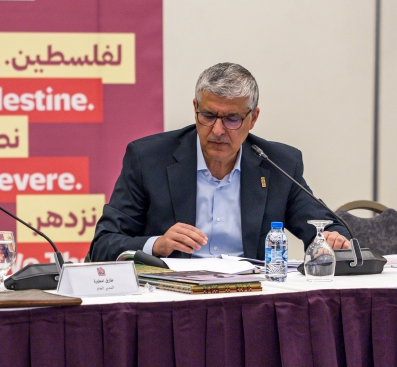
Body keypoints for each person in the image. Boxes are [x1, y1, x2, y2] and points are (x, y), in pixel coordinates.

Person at [88, 63, 350, 261]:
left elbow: (331, 228)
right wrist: (156, 245)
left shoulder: (278, 164)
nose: (217, 130)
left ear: (253, 118)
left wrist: (332, 240)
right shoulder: (148, 159)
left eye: (232, 119)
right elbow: (103, 244)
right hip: (173, 299)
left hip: (252, 299)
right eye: (208, 115)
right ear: (195, 108)